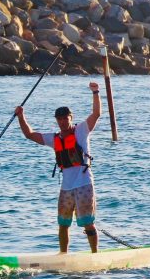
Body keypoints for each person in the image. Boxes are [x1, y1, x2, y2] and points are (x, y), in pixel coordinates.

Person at [15, 82, 101, 253]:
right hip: (66, 187)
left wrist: (96, 92)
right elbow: (29, 135)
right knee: (63, 224)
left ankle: (94, 254)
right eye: (59, 119)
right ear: (57, 120)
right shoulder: (54, 139)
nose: (62, 122)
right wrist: (20, 116)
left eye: (65, 118)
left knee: (88, 223)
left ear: (71, 118)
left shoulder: (81, 130)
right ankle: (63, 255)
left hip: (84, 184)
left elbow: (97, 114)